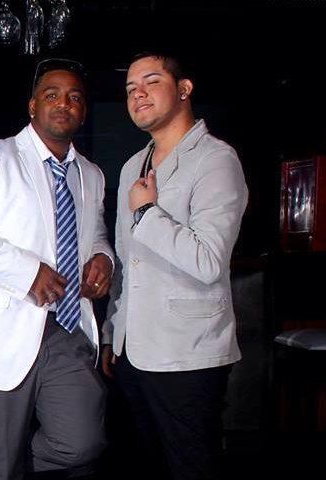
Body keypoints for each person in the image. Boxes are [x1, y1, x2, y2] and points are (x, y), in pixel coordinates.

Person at [0, 59, 112, 480]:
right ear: (33, 106)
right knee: (0, 466)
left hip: (67, 328)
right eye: (52, 95)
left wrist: (104, 257)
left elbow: (96, 233)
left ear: (83, 110)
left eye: (74, 97)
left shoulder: (91, 174)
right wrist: (27, 273)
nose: (64, 104)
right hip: (1, 332)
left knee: (82, 443)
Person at [101, 52, 248, 480]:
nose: (138, 94)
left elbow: (208, 259)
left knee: (191, 468)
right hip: (132, 350)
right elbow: (126, 260)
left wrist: (147, 213)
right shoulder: (132, 166)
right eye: (130, 88)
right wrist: (112, 332)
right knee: (144, 467)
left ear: (184, 89)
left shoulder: (216, 160)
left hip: (188, 353)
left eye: (151, 82)